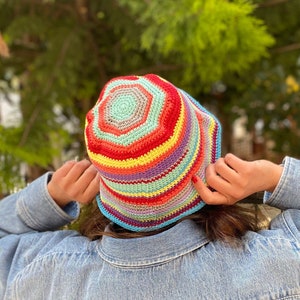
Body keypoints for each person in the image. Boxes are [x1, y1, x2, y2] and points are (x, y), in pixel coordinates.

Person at [0, 74, 299, 300]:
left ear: (106, 180)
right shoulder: (279, 259)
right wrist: (273, 177)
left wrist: (52, 196)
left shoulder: (45, 274)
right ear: (204, 163)